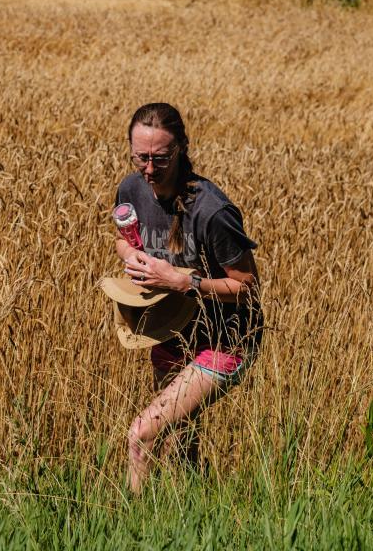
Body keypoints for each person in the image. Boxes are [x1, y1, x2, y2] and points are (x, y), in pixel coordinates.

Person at [114, 102, 262, 495]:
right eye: (140, 157)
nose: (148, 169)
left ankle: (131, 526)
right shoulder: (131, 189)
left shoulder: (212, 211)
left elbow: (248, 287)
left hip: (226, 339)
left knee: (143, 434)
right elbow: (121, 237)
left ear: (181, 148)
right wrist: (133, 257)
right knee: (179, 443)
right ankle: (195, 511)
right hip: (168, 329)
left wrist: (185, 281)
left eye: (160, 159)